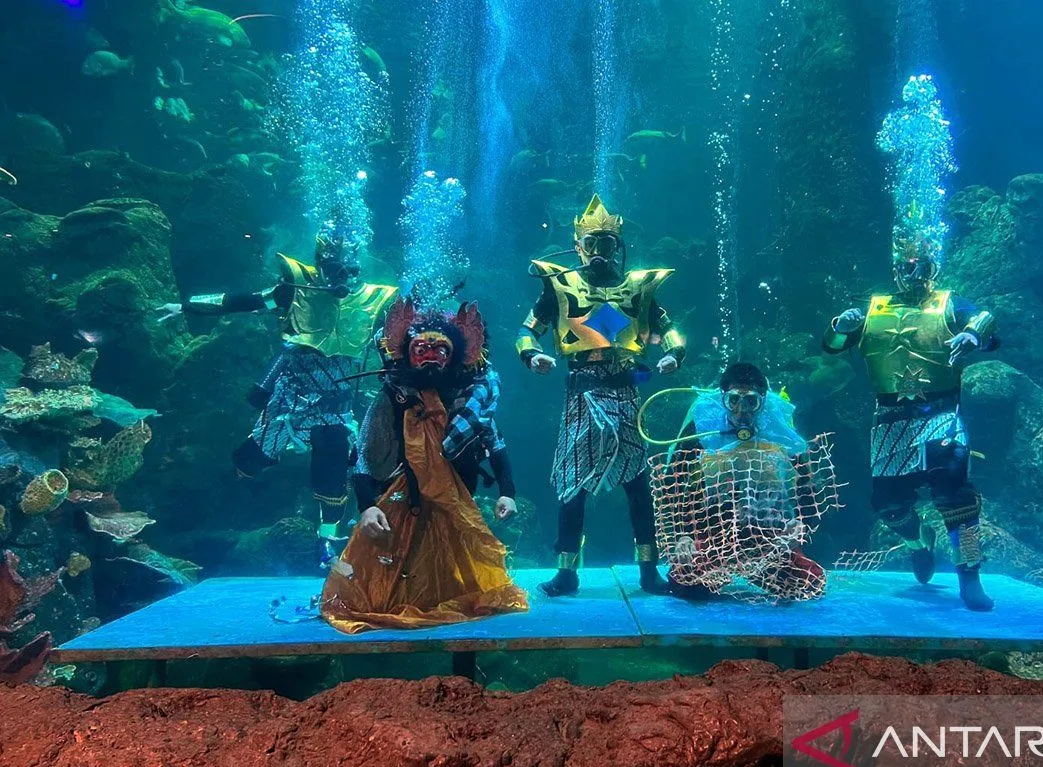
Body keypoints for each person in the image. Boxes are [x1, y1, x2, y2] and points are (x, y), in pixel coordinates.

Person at [157, 219, 398, 566]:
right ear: (320, 264)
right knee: (252, 459)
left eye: (349, 269)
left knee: (332, 473)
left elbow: (390, 343)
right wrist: (187, 305)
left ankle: (328, 543)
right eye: (335, 269)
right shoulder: (294, 290)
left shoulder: (372, 302)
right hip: (290, 398)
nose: (342, 277)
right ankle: (230, 484)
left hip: (334, 403)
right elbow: (247, 301)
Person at [321, 297, 529, 631]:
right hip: (401, 497)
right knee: (397, 564)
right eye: (421, 350)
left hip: (454, 500)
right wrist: (367, 506)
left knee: (445, 563)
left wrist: (507, 492)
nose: (430, 357)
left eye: (439, 350)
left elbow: (495, 444)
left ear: (453, 356)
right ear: (408, 353)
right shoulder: (393, 396)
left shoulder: (471, 400)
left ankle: (442, 600)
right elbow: (362, 453)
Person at [515, 194, 685, 596]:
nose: (598, 251)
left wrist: (673, 354)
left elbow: (670, 330)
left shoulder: (639, 289)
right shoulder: (559, 285)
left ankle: (649, 570)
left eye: (606, 244)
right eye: (591, 243)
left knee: (638, 484)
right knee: (573, 484)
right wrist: (532, 354)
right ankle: (566, 571)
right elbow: (526, 330)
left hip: (626, 394)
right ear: (578, 246)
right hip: (582, 397)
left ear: (618, 247)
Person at [821, 235, 998, 610]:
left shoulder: (950, 303)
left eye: (923, 268)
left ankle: (970, 574)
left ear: (934, 270)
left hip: (941, 413)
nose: (914, 275)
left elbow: (988, 329)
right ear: (896, 270)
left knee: (955, 493)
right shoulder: (873, 307)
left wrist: (972, 333)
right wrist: (841, 326)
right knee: (887, 503)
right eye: (906, 267)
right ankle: (919, 541)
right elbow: (832, 346)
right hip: (890, 418)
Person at [653, 363, 828, 602]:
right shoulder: (701, 431)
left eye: (751, 402)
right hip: (714, 533)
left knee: (807, 583)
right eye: (734, 400)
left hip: (768, 536)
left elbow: (807, 486)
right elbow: (673, 484)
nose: (741, 410)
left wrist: (800, 525)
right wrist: (682, 536)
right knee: (686, 585)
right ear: (723, 398)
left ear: (763, 401)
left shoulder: (781, 433)